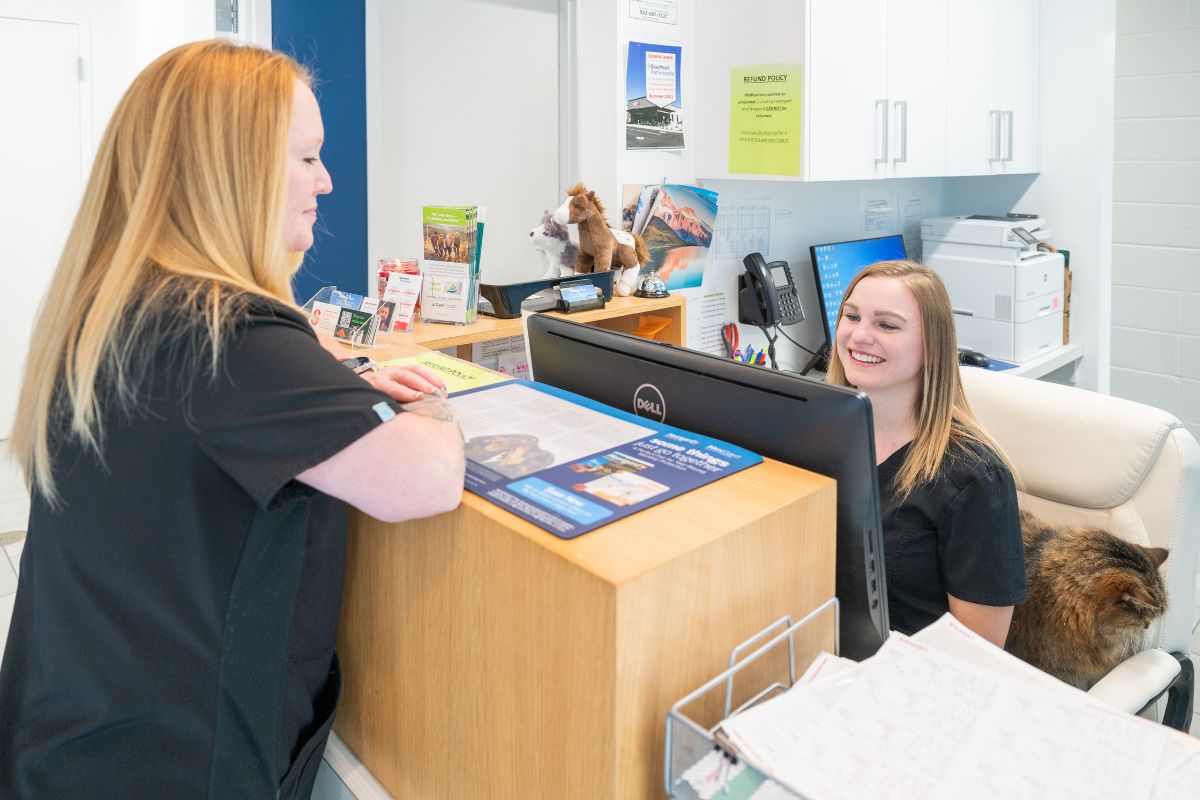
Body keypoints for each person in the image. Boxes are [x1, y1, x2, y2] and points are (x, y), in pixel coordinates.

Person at [0, 40, 465, 799]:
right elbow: (427, 475)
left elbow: (233, 418)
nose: (327, 181)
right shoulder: (225, 337)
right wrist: (433, 402)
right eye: (307, 159)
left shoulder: (122, 307)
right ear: (233, 169)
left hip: (71, 738)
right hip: (169, 766)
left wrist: (325, 372)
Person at [825, 260, 1025, 647]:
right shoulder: (821, 435)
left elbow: (978, 653)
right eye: (852, 316)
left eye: (887, 324)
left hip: (911, 685)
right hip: (821, 651)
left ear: (932, 346)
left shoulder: (975, 479)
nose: (859, 336)